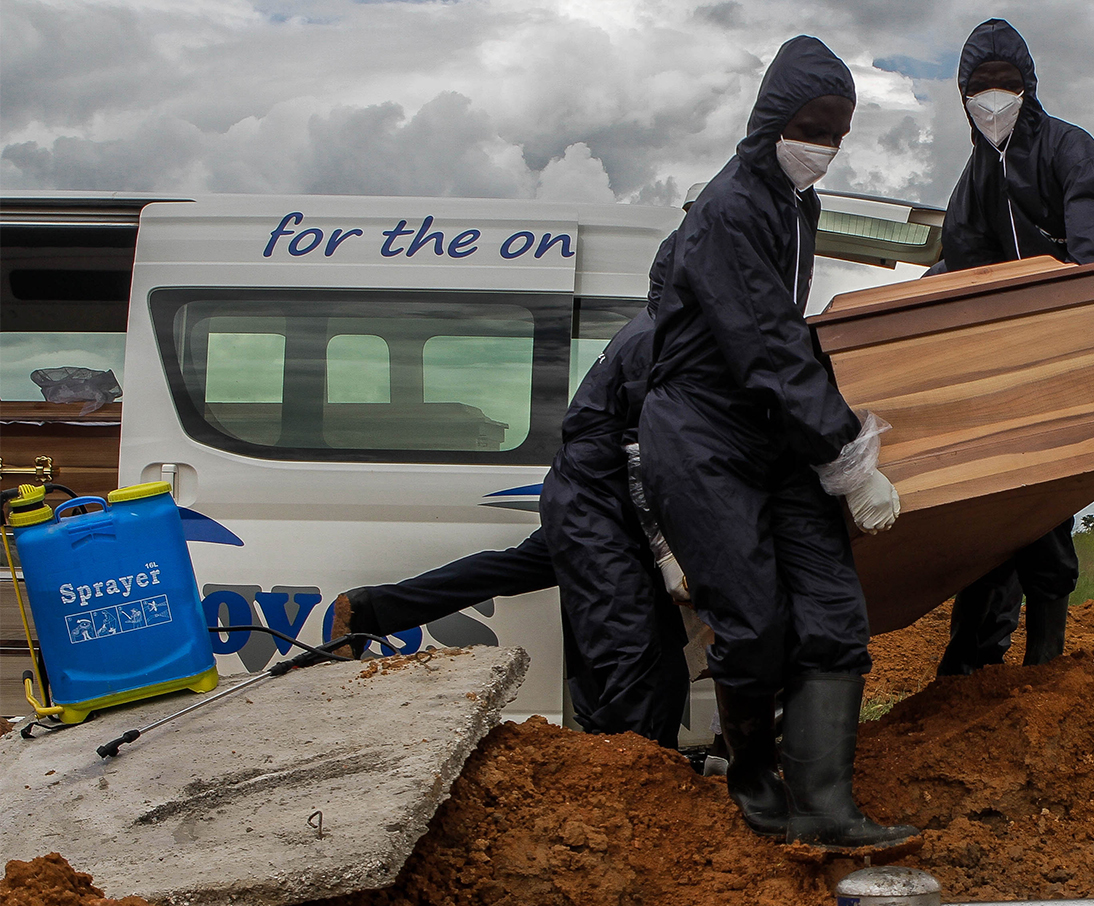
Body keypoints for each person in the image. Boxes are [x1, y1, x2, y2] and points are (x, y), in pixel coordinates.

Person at [637, 36, 915, 850]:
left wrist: (828, 443)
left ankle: (825, 805)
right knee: (753, 620)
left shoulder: (801, 205)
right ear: (772, 119)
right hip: (701, 431)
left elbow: (784, 343)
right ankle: (755, 774)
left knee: (833, 606)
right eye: (812, 125)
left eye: (838, 132)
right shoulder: (728, 208)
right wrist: (849, 454)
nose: (823, 146)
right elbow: (763, 344)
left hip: (771, 428)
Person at [932, 17, 1094, 678]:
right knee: (1034, 476)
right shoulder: (977, 180)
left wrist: (1086, 374)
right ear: (962, 96)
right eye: (979, 88)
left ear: (1029, 87)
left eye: (1005, 85)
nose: (993, 99)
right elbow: (956, 267)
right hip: (1036, 335)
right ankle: (1042, 652)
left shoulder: (1074, 152)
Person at [331, 301, 689, 750]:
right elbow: (643, 451)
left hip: (594, 497)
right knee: (633, 641)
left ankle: (372, 609)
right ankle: (631, 762)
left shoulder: (659, 325)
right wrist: (667, 549)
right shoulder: (660, 337)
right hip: (603, 504)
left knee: (515, 569)